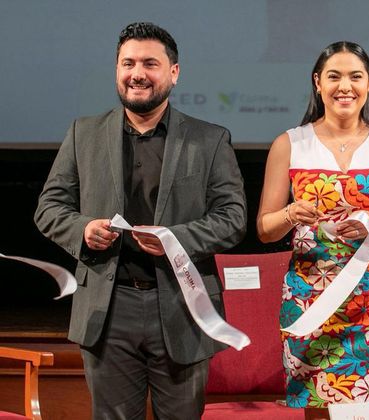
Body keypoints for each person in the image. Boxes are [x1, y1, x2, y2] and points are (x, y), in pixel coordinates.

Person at [34, 22, 247, 419]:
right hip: (108, 308)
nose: (138, 73)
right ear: (116, 70)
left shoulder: (209, 139)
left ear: (174, 72)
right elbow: (49, 207)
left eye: (150, 63)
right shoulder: (84, 133)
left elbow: (232, 218)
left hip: (183, 308)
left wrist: (174, 238)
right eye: (128, 63)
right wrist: (83, 229)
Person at [256, 41, 369, 418]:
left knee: (368, 410)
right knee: (316, 408)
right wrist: (289, 214)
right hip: (311, 298)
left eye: (355, 76)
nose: (344, 86)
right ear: (318, 83)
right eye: (334, 76)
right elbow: (265, 229)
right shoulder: (290, 143)